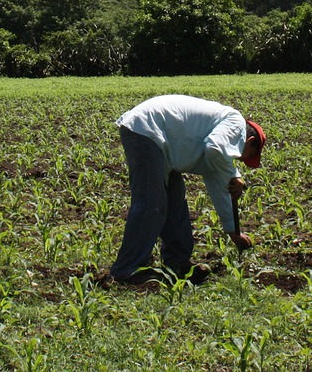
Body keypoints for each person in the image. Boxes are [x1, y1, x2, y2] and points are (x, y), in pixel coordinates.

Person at [107, 94, 265, 285]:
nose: (239, 158)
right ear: (250, 142)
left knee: (175, 202)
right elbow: (215, 149)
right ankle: (126, 270)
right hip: (147, 130)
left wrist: (233, 231)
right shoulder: (235, 122)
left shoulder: (222, 139)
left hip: (162, 140)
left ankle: (177, 262)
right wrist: (233, 174)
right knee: (152, 204)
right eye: (244, 156)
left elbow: (218, 185)